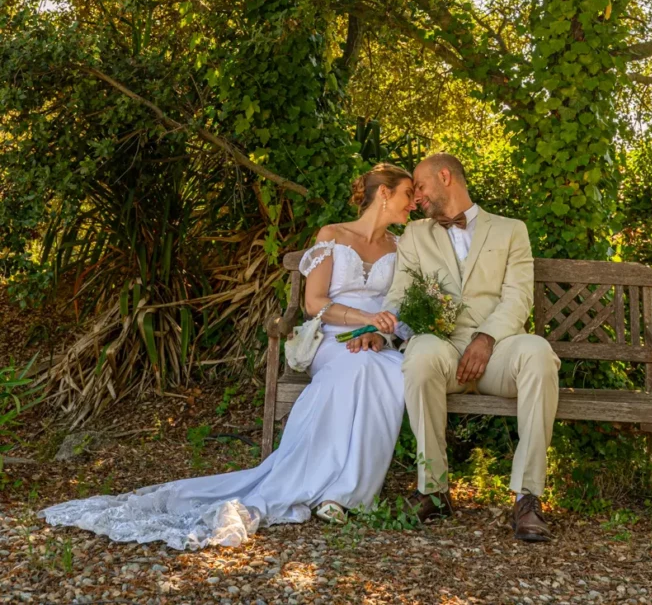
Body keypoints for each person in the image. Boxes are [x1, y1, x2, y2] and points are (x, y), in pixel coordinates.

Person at [40, 163, 413, 550]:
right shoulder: (333, 235)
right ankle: (327, 486)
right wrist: (363, 319)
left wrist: (378, 331)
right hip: (334, 334)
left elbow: (401, 306)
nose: (412, 205)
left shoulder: (400, 247)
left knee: (390, 371)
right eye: (406, 194)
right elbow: (312, 302)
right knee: (355, 366)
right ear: (384, 193)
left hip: (375, 338)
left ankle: (346, 493)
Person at [382, 152, 560, 542]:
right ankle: (433, 489)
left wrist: (486, 338)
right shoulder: (415, 234)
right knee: (420, 356)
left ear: (446, 176)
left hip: (499, 351)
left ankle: (527, 498)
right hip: (445, 349)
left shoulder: (512, 230)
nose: (416, 200)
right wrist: (384, 326)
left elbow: (517, 297)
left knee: (538, 353)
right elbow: (399, 295)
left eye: (422, 187)